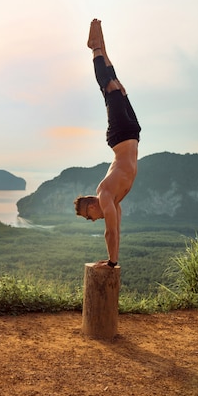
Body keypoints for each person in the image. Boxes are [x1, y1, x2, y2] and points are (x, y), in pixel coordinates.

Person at [74, 19, 141, 269]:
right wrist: (114, 260)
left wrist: (111, 263)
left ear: (92, 206)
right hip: (132, 133)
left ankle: (95, 48)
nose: (93, 219)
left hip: (120, 135)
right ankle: (100, 46)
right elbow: (116, 231)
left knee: (109, 87)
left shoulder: (104, 195)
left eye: (88, 217)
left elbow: (108, 233)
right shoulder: (113, 201)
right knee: (118, 88)